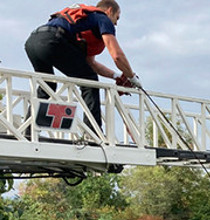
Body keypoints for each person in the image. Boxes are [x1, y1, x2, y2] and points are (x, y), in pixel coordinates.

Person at [25, 1, 141, 132]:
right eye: (117, 18)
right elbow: (117, 56)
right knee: (90, 81)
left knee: (47, 85)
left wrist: (117, 76)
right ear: (109, 11)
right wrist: (131, 77)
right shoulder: (102, 18)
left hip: (33, 41)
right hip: (53, 41)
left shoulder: (85, 20)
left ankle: (27, 130)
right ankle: (93, 133)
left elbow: (91, 64)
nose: (116, 23)